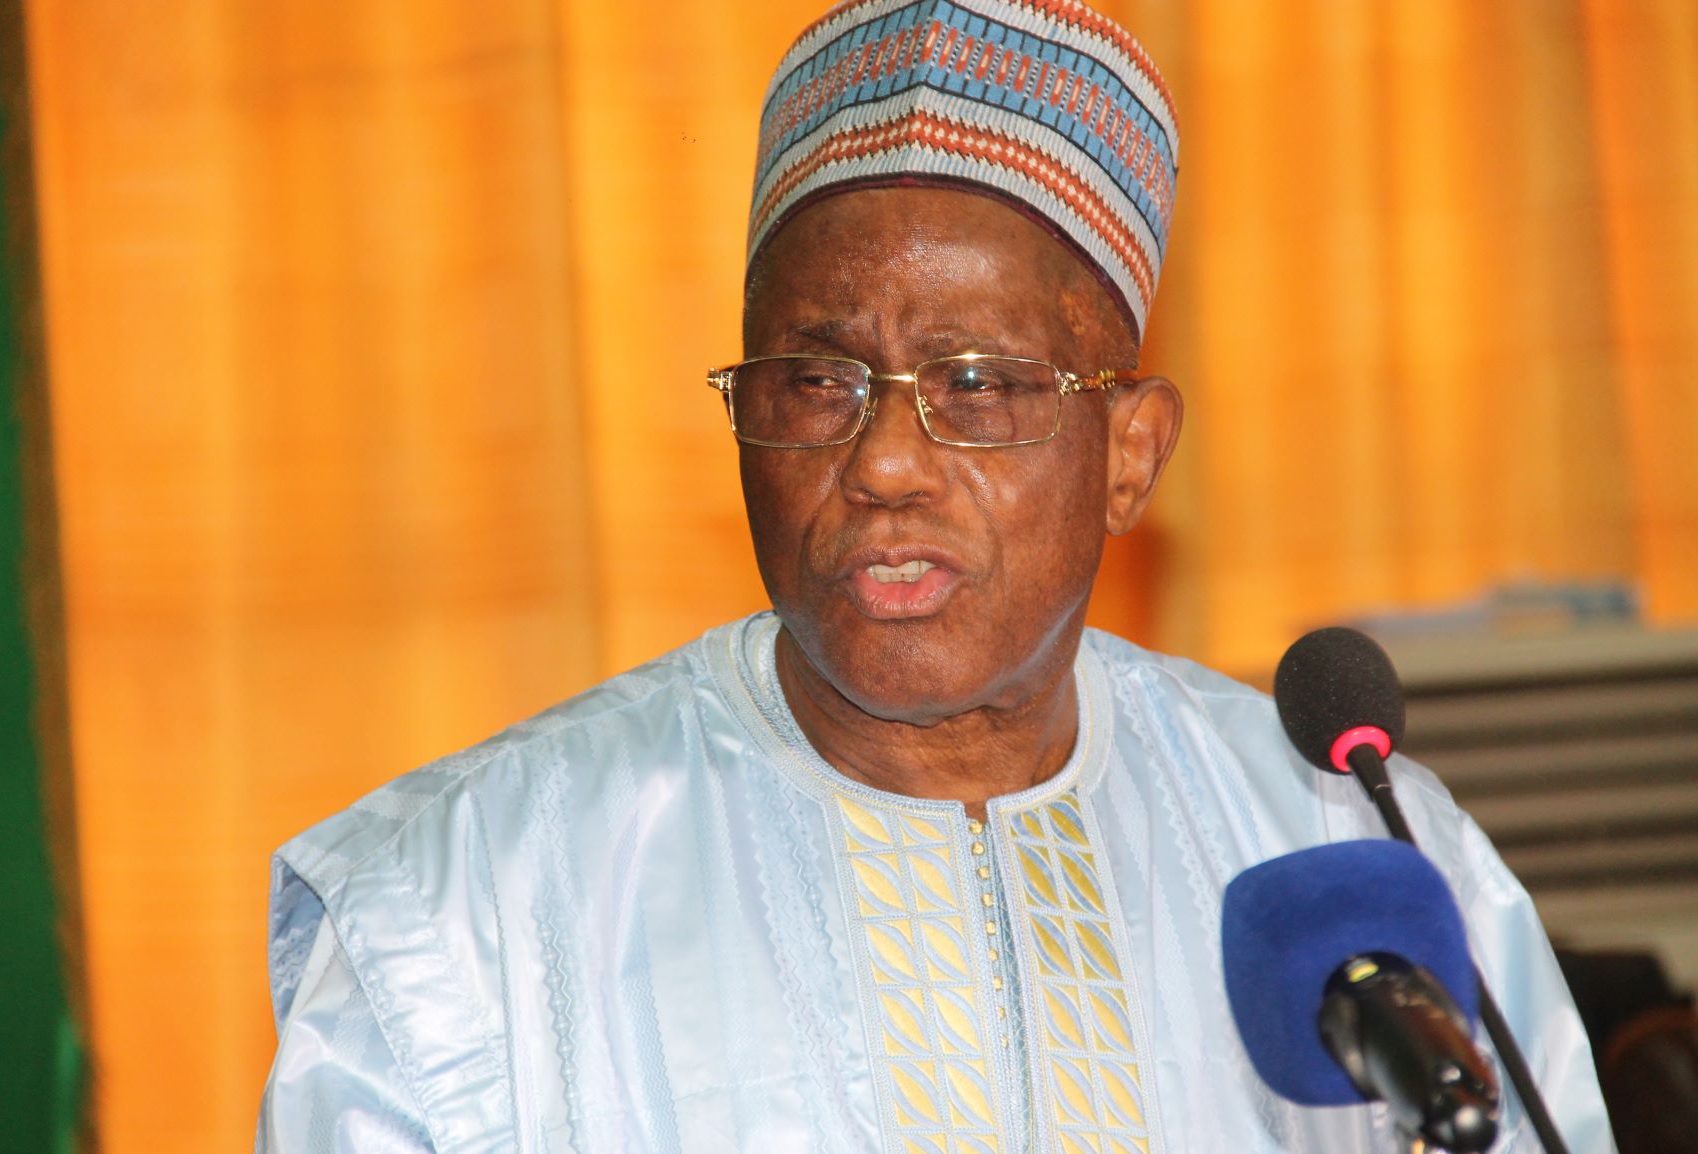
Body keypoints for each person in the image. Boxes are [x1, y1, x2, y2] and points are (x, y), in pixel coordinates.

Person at [256, 1, 1615, 1150]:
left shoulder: (1353, 862)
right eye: (816, 380)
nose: (885, 462)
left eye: (978, 382)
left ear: (1131, 453)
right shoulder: (460, 912)